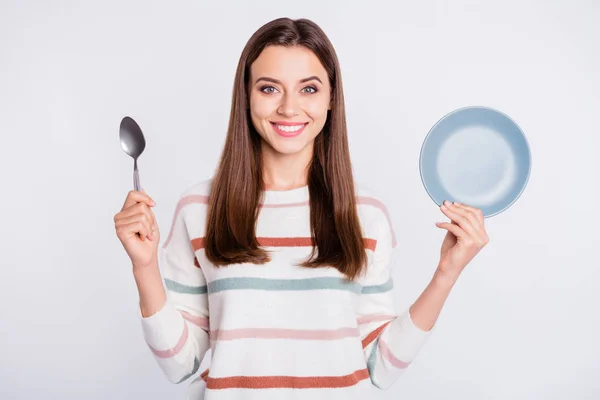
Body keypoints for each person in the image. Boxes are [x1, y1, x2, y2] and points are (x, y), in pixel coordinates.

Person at [114, 17, 489, 400]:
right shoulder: (200, 209)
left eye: (308, 88)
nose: (289, 108)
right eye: (270, 88)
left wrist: (446, 272)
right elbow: (180, 365)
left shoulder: (366, 213)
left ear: (330, 97)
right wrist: (144, 267)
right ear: (246, 95)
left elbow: (381, 366)